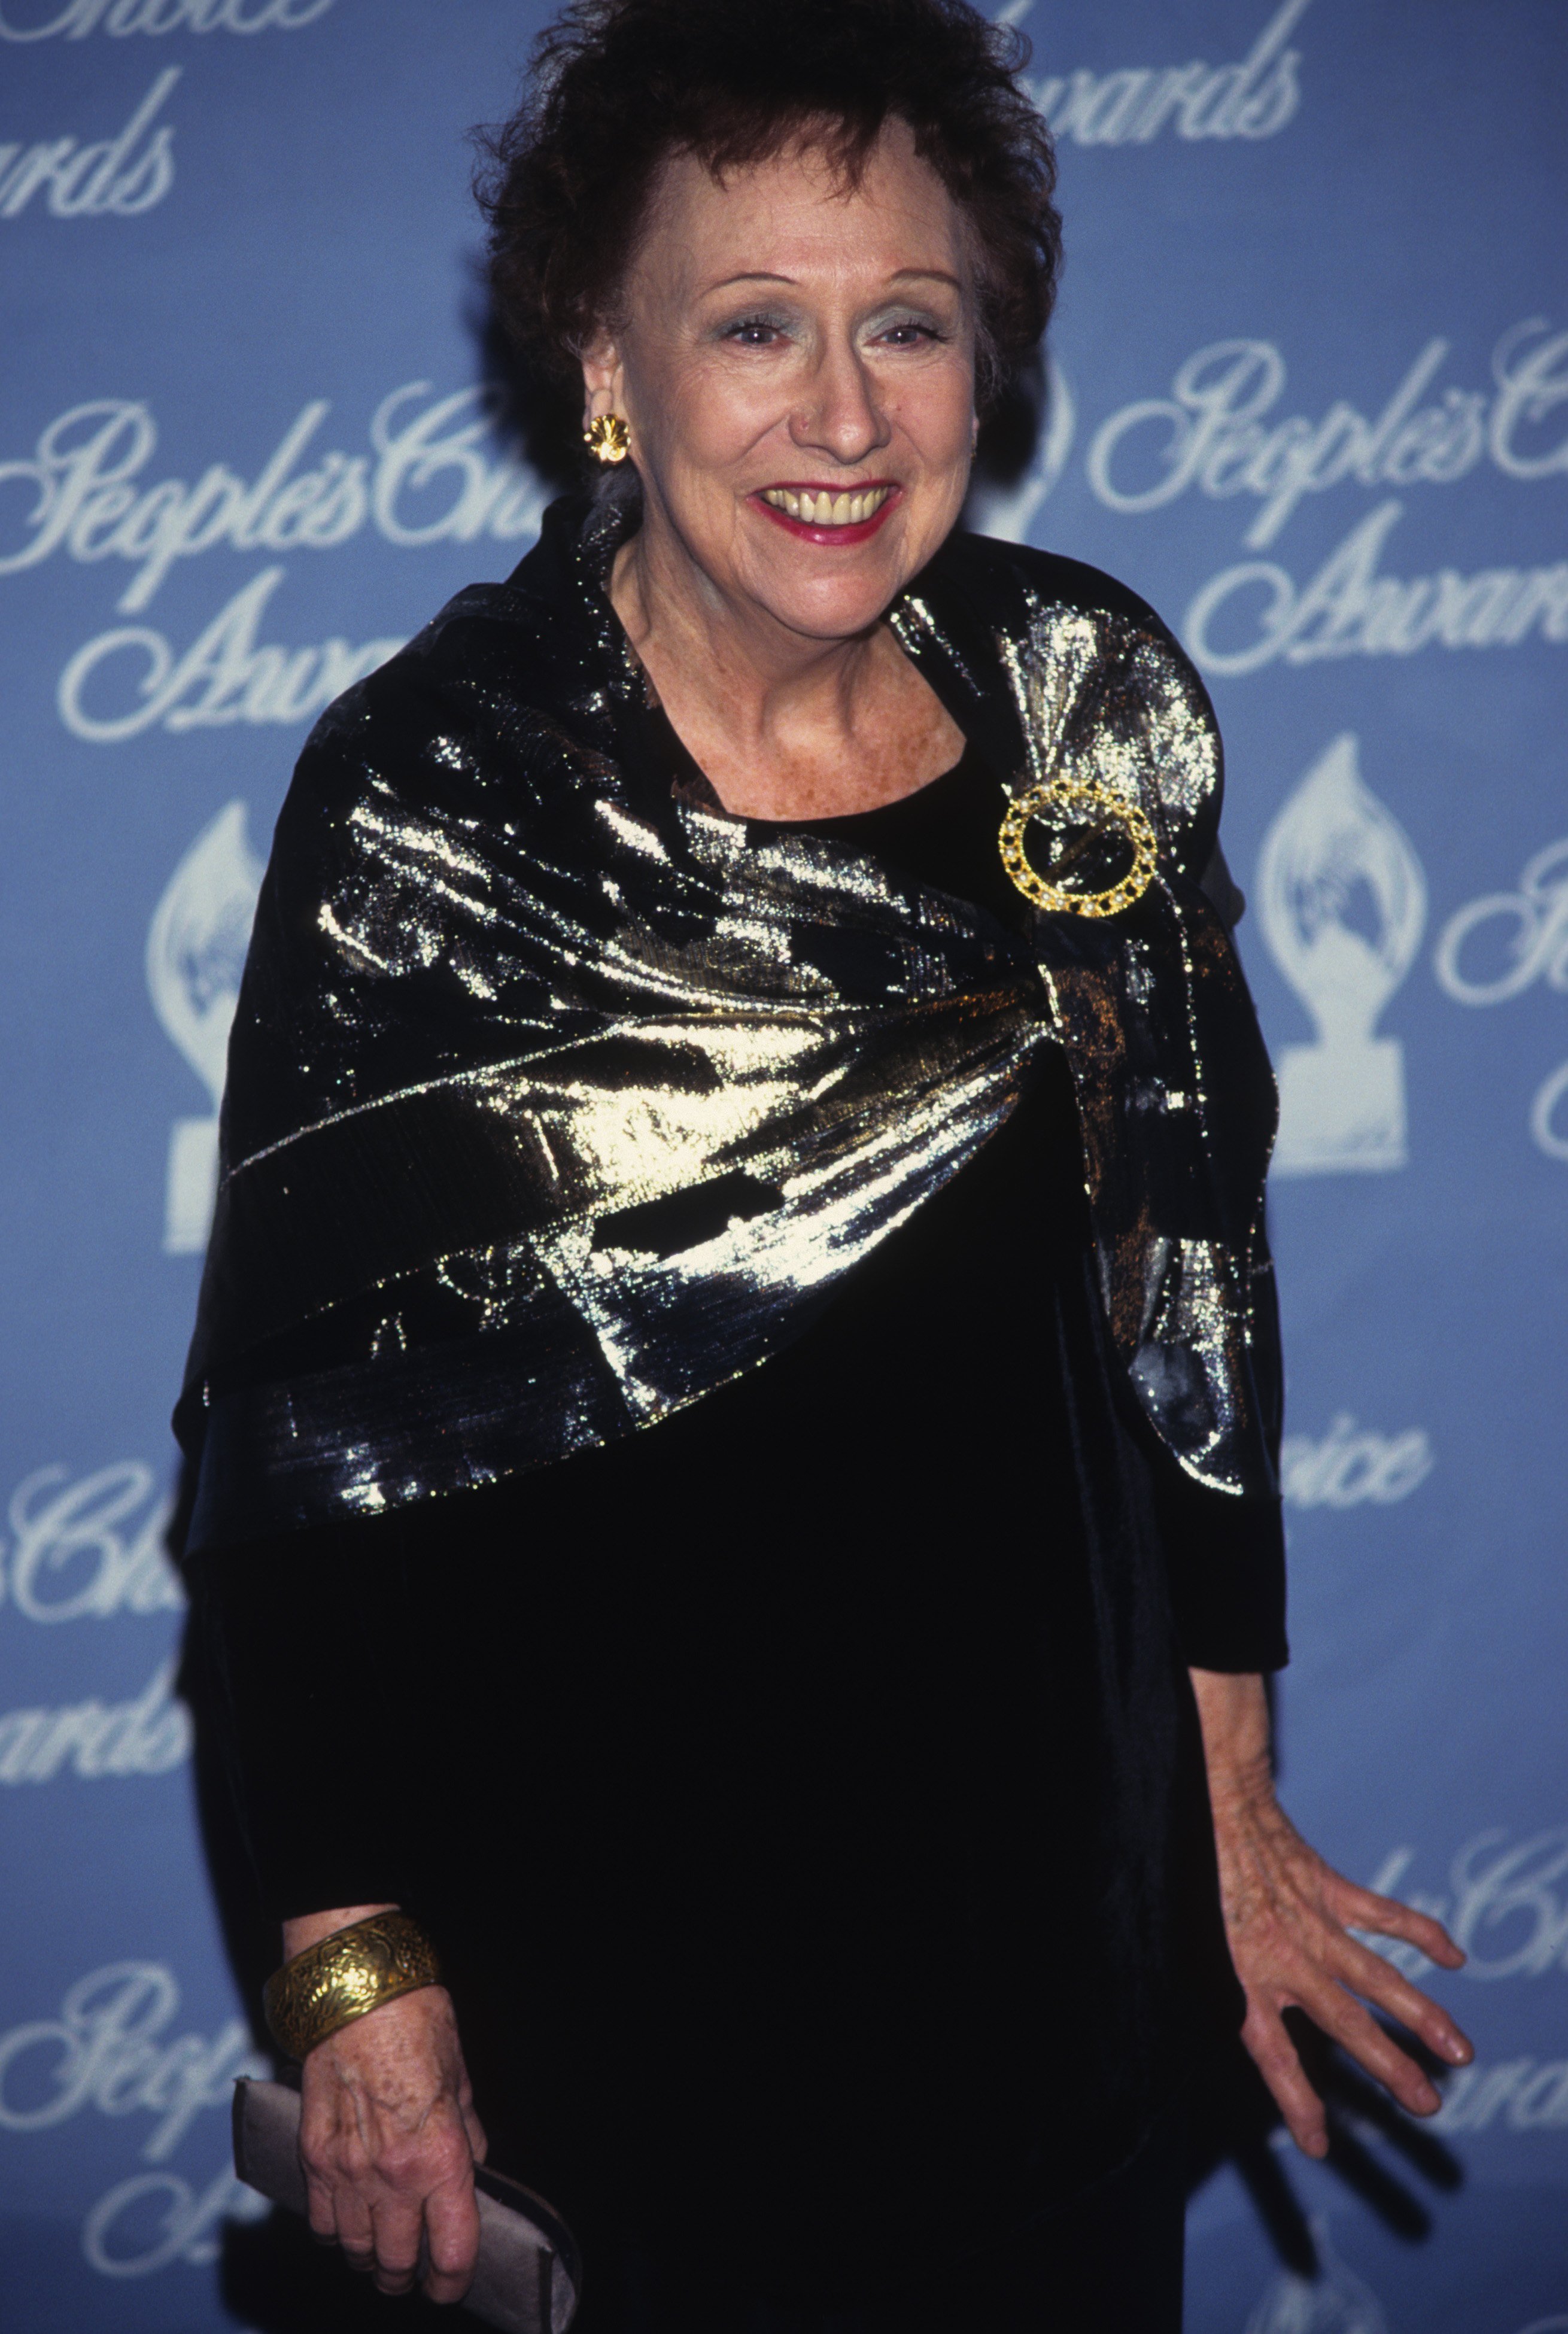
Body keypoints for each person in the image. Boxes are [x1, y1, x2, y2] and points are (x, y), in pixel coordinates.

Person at [180, 2, 1474, 2326]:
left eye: (910, 324)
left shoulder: (1082, 712)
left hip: (1041, 1972)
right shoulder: (437, 800)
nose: (845, 413)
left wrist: (1234, 1816)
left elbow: (1184, 1298)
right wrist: (350, 1963)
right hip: (602, 2001)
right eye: (753, 325)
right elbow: (297, 1451)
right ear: (610, 356)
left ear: (990, 358)